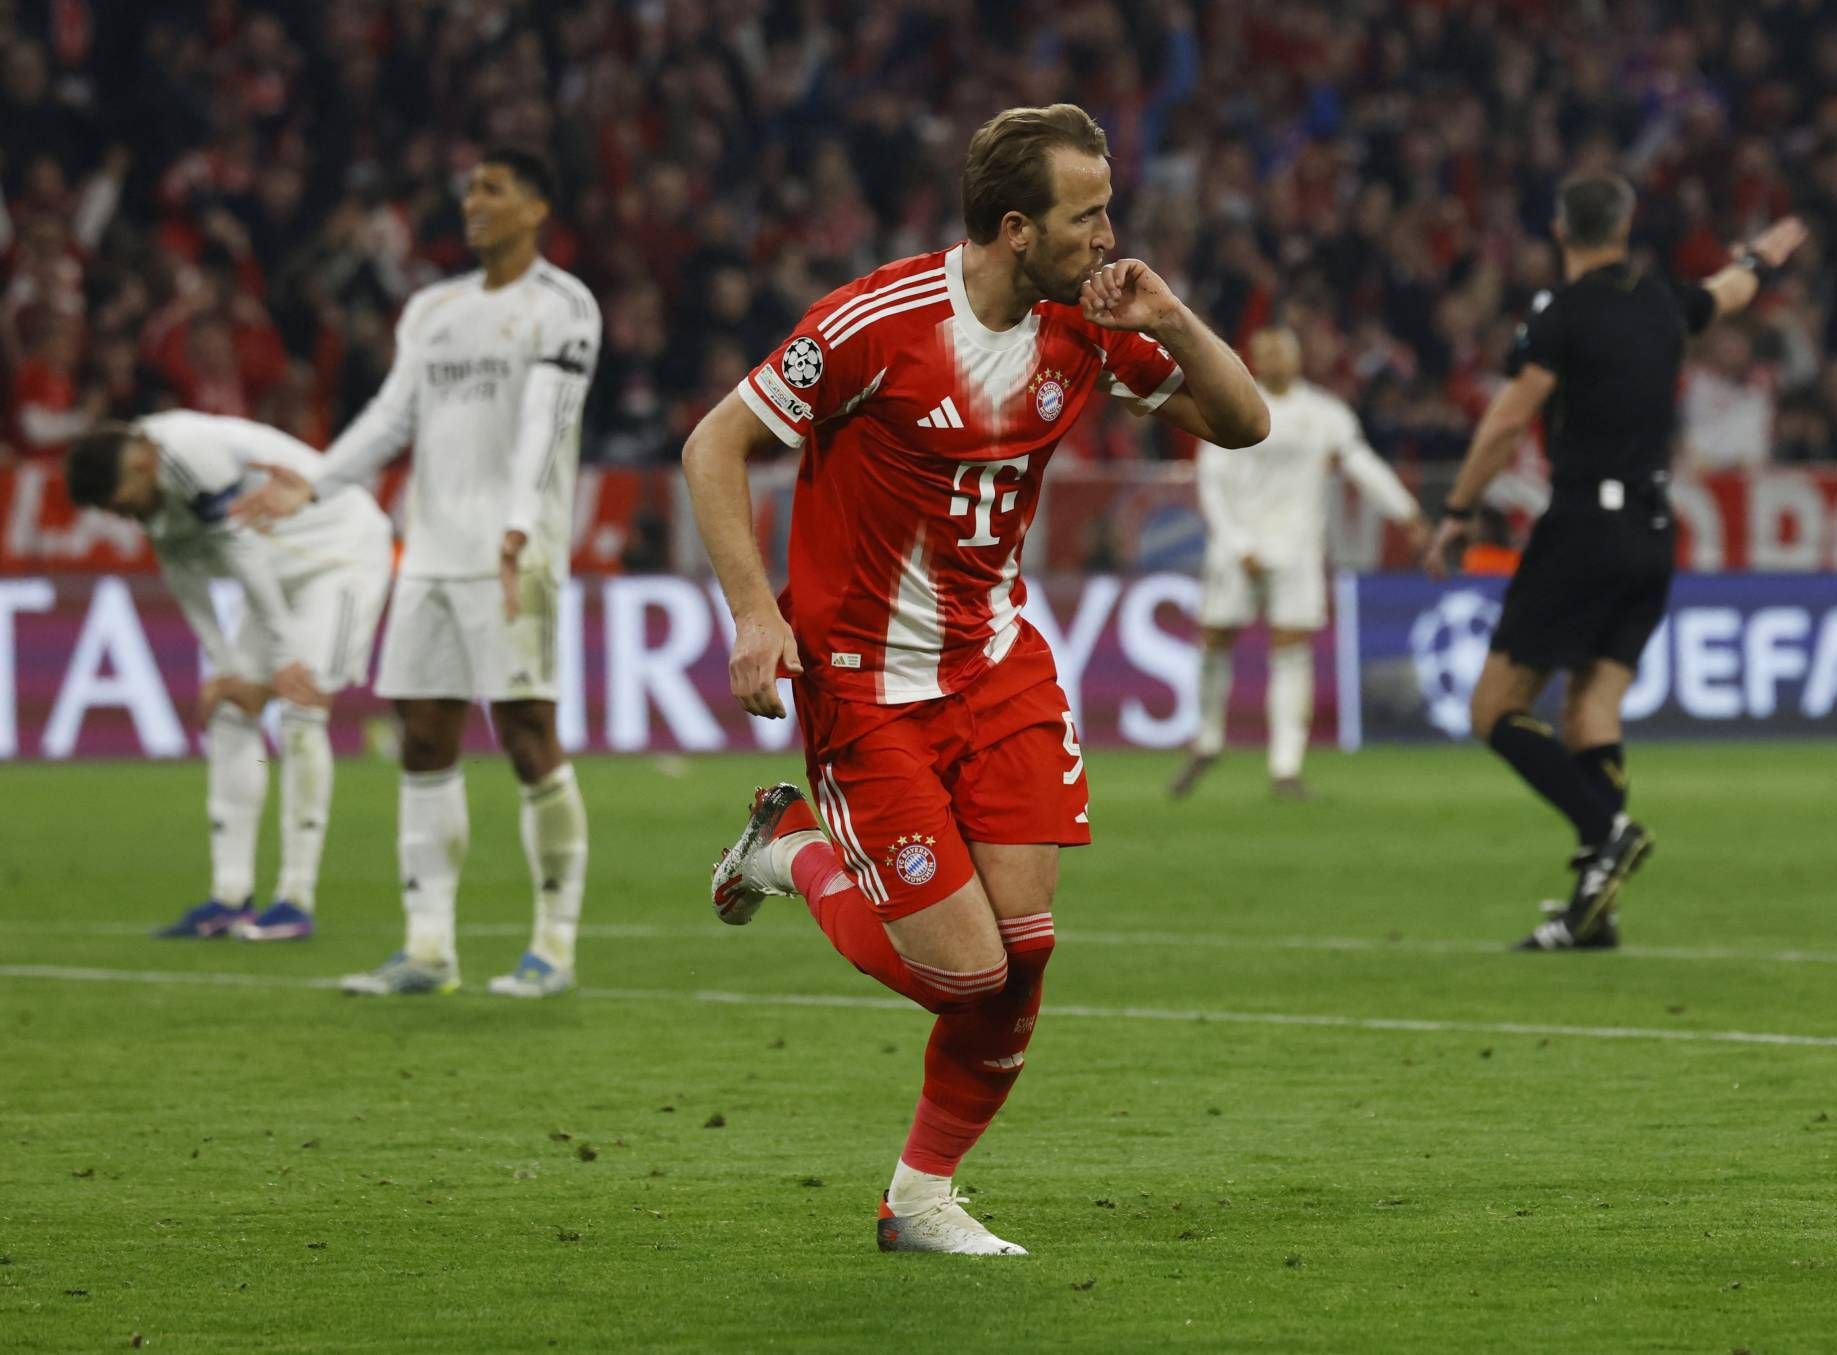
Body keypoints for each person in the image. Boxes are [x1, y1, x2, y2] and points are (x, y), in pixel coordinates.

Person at [686, 104, 1268, 1255]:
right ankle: (787, 846)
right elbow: (714, 444)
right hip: (867, 685)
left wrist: (1169, 317)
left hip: (998, 666)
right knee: (963, 975)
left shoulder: (1088, 321)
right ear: (1015, 229)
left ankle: (919, 1197)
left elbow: (1243, 422)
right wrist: (755, 611)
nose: (1108, 236)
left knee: (1024, 952)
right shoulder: (874, 324)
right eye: (1086, 215)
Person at [233, 149, 601, 999]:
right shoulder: (434, 309)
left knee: (527, 734)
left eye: (492, 189)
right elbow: (394, 413)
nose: (472, 202)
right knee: (424, 735)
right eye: (469, 189)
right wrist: (316, 481)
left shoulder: (562, 305)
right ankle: (428, 948)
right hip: (430, 553)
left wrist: (519, 525)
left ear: (536, 207)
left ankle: (553, 946)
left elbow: (547, 422)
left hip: (514, 555)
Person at [1423, 174, 1806, 950]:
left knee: (1494, 710)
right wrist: (1760, 259)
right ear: (1625, 227)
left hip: (1583, 528)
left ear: (1562, 231)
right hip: (1655, 528)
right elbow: (1729, 292)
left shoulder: (1560, 314)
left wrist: (1458, 511)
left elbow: (1508, 420)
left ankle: (1608, 830)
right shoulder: (1662, 301)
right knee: (1591, 710)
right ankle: (1594, 913)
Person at [65, 412, 392, 941]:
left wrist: (284, 657)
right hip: (276, 575)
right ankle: (230, 896)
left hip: (342, 558)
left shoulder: (189, 453)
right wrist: (227, 668)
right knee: (229, 710)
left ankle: (295, 900)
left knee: (303, 707)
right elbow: (181, 570)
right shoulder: (146, 483)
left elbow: (242, 550)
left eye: (116, 499)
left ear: (140, 465)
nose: (116, 513)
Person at [1169, 325, 1430, 801]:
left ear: (1297, 357)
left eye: (1281, 352)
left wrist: (1407, 513)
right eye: (1265, 352)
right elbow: (1210, 482)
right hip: (1237, 550)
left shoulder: (1325, 414)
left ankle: (1285, 767)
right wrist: (1237, 544)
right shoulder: (1232, 403)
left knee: (1291, 653)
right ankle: (1207, 740)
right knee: (1214, 639)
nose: (1274, 360)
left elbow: (1362, 465)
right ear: (1253, 358)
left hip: (1296, 551)